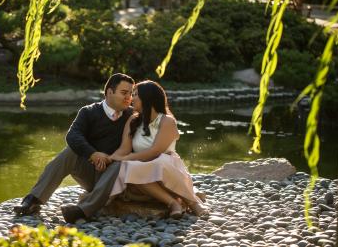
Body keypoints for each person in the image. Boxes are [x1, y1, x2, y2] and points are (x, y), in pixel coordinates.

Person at [14, 73, 135, 223]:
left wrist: (110, 158)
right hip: (91, 171)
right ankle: (33, 200)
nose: (128, 98)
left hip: (116, 176)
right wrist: (93, 154)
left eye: (130, 93)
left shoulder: (132, 115)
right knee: (70, 152)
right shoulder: (88, 112)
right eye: (124, 93)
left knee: (121, 164)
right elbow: (73, 136)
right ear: (110, 92)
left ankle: (83, 210)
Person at [109, 80, 208, 218]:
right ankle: (173, 203)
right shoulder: (133, 121)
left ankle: (193, 203)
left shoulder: (167, 121)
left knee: (160, 161)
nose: (132, 98)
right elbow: (124, 149)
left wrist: (125, 159)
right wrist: (110, 158)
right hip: (143, 171)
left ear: (147, 98)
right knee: (130, 167)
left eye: (136, 94)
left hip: (167, 167)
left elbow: (155, 151)